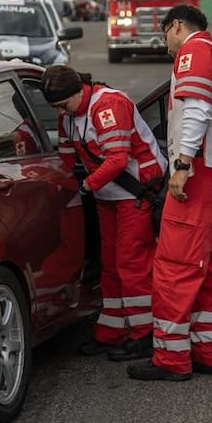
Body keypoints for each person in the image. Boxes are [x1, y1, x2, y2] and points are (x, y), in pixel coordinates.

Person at [127, 4, 212, 382]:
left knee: (176, 265)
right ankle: (208, 351)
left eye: (165, 36)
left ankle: (172, 358)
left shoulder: (194, 51)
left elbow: (195, 109)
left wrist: (181, 165)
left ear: (177, 26)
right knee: (210, 265)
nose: (166, 46)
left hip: (201, 171)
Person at [41, 65, 166, 362]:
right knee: (110, 264)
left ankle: (145, 335)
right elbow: (68, 158)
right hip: (107, 196)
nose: (61, 111)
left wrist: (85, 185)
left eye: (63, 104)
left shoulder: (108, 105)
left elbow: (118, 159)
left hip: (135, 194)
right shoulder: (68, 116)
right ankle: (110, 332)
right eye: (56, 107)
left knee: (131, 264)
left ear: (78, 92)